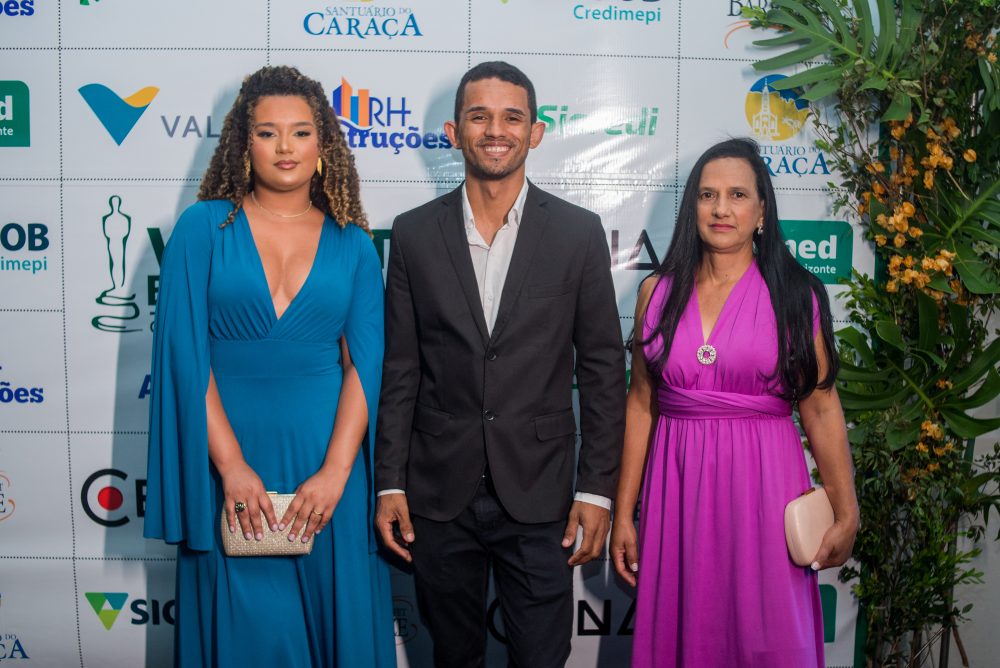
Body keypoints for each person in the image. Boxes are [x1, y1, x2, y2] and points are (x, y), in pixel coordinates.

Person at [374, 61, 625, 668]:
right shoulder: (412, 234)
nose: (495, 130)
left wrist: (596, 490)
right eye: (479, 116)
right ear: (453, 132)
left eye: (512, 117)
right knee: (453, 656)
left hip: (541, 492)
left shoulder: (577, 233)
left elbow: (601, 371)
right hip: (438, 492)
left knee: (542, 657)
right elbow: (401, 369)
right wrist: (390, 482)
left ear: (535, 132)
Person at [144, 65, 395, 667]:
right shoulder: (202, 229)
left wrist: (336, 472)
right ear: (243, 143)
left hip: (327, 463)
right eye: (267, 132)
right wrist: (231, 466)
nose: (286, 147)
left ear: (323, 144)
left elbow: (364, 366)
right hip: (227, 458)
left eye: (301, 132)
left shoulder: (354, 244)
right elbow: (185, 358)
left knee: (336, 619)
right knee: (243, 629)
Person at [610, 138, 859, 667]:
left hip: (765, 488)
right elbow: (640, 406)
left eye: (738, 195)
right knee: (685, 629)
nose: (721, 208)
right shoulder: (656, 293)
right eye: (708, 195)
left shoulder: (796, 295)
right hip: (676, 489)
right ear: (692, 207)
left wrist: (847, 509)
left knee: (767, 634)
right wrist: (624, 513)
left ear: (762, 211)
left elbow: (819, 407)